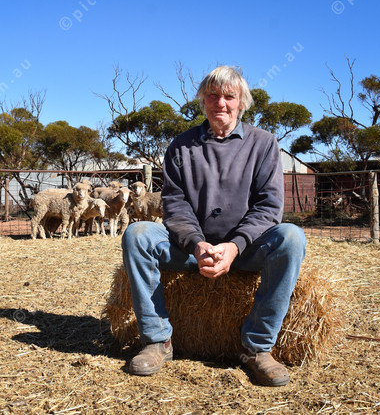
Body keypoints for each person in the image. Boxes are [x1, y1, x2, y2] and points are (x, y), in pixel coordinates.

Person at [121, 65, 306, 387]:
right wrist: (196, 244)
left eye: (229, 97)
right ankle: (157, 340)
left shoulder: (264, 144)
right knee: (137, 234)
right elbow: (175, 205)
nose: (221, 103)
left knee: (291, 237)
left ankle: (257, 348)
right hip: (190, 251)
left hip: (247, 251)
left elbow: (268, 206)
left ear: (242, 102)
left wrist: (234, 246)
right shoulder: (180, 146)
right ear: (203, 101)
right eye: (213, 95)